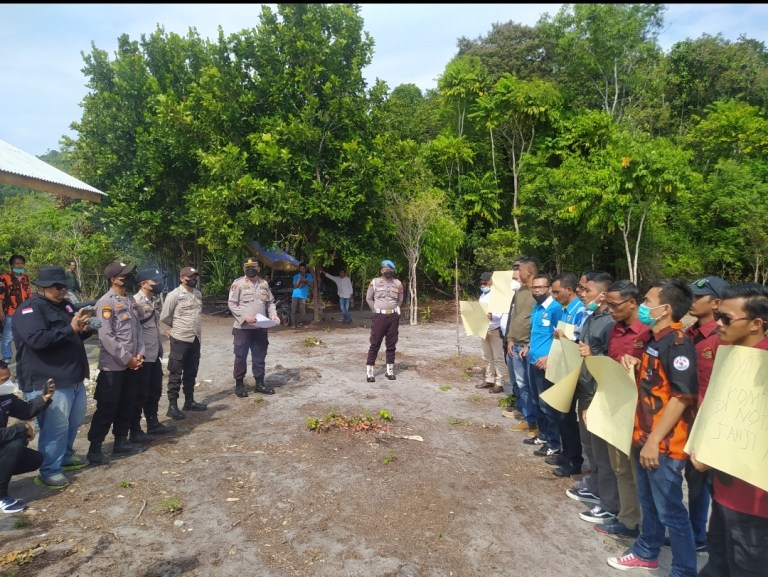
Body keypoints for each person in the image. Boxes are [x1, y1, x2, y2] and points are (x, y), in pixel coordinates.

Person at [607, 279, 698, 576]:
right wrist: (635, 364)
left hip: (663, 444)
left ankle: (684, 570)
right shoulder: (654, 340)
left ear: (665, 309)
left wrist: (653, 441)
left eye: (648, 301)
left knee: (671, 511)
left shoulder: (678, 344)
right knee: (649, 504)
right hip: (644, 435)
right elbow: (656, 383)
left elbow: (681, 397)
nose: (643, 306)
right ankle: (646, 552)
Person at [690, 283, 768, 577]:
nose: (718, 323)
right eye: (717, 316)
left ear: (756, 324)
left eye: (726, 318)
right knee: (717, 564)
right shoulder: (725, 354)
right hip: (723, 492)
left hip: (756, 503)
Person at [12, 266, 93, 489]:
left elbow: (73, 334)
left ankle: (65, 456)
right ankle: (49, 470)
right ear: (42, 287)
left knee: (73, 422)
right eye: (57, 286)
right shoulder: (29, 310)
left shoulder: (66, 305)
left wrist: (84, 328)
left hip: (72, 377)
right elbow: (37, 340)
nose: (62, 290)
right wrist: (70, 329)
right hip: (48, 381)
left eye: (64, 286)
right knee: (55, 428)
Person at [589, 280, 649, 537]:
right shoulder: (614, 330)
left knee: (639, 473)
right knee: (620, 468)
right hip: (615, 409)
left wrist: (640, 364)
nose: (610, 310)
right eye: (608, 305)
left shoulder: (648, 333)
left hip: (639, 413)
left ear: (632, 302)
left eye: (614, 305)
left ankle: (649, 527)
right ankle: (628, 520)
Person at [683, 275, 728, 552]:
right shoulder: (689, 334)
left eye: (698, 297)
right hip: (688, 420)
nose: (692, 301)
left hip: (711, 424)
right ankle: (696, 534)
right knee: (694, 480)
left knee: (715, 486)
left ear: (716, 303)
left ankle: (718, 543)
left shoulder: (722, 339)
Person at [86, 261, 146, 464]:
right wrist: (127, 359)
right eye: (124, 275)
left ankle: (121, 441)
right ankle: (95, 448)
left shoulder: (130, 300)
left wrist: (140, 354)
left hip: (133, 363)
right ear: (113, 279)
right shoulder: (105, 303)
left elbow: (138, 330)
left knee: (128, 403)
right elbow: (106, 336)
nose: (129, 278)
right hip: (113, 366)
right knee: (107, 407)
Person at [0, 361, 54, 513]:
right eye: (4, 380)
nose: (9, 383)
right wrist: (22, 427)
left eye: (9, 378)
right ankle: (1, 497)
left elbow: (26, 411)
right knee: (15, 443)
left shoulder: (4, 396)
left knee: (33, 459)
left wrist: (44, 398)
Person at [548, 272, 587, 478]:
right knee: (561, 413)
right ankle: (565, 452)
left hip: (574, 369)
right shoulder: (565, 310)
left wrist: (566, 338)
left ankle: (574, 460)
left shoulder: (580, 311)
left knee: (568, 416)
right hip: (563, 367)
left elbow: (579, 340)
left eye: (557, 292)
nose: (554, 296)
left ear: (569, 290)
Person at [522, 273, 562, 458]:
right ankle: (543, 435)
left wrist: (549, 357)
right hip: (532, 360)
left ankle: (554, 443)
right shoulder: (537, 308)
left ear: (549, 289)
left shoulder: (555, 309)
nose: (537, 290)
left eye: (541, 287)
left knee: (547, 405)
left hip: (546, 364)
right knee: (537, 402)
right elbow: (537, 332)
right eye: (534, 287)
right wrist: (528, 346)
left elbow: (560, 337)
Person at [228, 257, 280, 397]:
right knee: (240, 356)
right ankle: (239, 385)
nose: (250, 269)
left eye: (253, 267)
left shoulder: (264, 284)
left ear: (258, 268)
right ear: (244, 269)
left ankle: (260, 384)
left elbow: (270, 302)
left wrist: (273, 315)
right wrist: (245, 317)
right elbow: (232, 303)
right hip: (242, 328)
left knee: (259, 356)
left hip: (260, 327)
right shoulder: (238, 284)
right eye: (247, 267)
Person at [133, 268, 176, 436]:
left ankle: (153, 423)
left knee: (154, 391)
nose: (159, 284)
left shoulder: (152, 301)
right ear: (144, 284)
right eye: (155, 281)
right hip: (142, 356)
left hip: (154, 353)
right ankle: (135, 430)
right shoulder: (135, 302)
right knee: (140, 394)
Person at [160, 266, 207, 419]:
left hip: (195, 338)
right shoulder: (174, 295)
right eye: (190, 277)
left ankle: (189, 401)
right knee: (175, 372)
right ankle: (172, 406)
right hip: (180, 339)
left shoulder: (198, 294)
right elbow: (164, 317)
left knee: (191, 371)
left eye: (195, 277)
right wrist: (173, 329)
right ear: (182, 278)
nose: (193, 279)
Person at [503, 257, 538, 434]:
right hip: (515, 345)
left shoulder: (537, 293)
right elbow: (514, 316)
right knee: (519, 383)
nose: (516, 273)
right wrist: (510, 338)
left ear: (529, 271)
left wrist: (530, 344)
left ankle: (532, 420)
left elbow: (538, 322)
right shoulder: (520, 291)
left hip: (527, 346)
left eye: (520, 269)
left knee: (528, 385)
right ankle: (525, 414)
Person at [365, 259, 404, 382]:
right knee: (375, 343)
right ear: (382, 271)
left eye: (390, 269)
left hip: (393, 317)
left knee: (391, 343)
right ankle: (370, 372)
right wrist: (375, 311)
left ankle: (390, 370)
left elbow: (400, 299)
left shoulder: (398, 283)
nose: (388, 271)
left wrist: (395, 309)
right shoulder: (375, 282)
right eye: (386, 269)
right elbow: (369, 298)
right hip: (379, 317)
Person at [0, 254, 33, 365]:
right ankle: (6, 358)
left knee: (24, 334)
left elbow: (29, 294)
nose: (19, 265)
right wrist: (0, 311)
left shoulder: (25, 277)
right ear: (12, 265)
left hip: (25, 310)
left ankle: (24, 356)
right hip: (10, 311)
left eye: (21, 263)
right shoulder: (4, 277)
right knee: (8, 336)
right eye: (17, 263)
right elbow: (1, 296)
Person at [477, 272, 506, 393]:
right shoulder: (482, 295)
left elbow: (502, 312)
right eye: (481, 283)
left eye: (485, 282)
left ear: (491, 281)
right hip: (484, 329)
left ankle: (499, 383)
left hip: (495, 329)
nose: (483, 285)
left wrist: (492, 315)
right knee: (486, 356)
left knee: (498, 357)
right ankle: (489, 379)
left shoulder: (498, 295)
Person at [290, 262, 313, 327]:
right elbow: (295, 286)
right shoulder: (296, 276)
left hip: (303, 296)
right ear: (299, 269)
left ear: (306, 269)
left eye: (303, 268)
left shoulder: (309, 276)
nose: (302, 270)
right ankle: (293, 324)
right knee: (293, 310)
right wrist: (299, 280)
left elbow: (312, 285)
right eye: (301, 268)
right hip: (295, 295)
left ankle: (298, 322)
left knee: (302, 312)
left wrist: (306, 281)